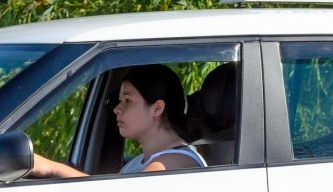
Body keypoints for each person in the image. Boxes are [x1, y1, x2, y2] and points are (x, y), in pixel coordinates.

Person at [30, 64, 206, 178]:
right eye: (119, 100)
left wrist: (50, 168)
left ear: (157, 108)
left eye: (127, 101)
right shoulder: (141, 161)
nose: (116, 109)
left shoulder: (176, 162)